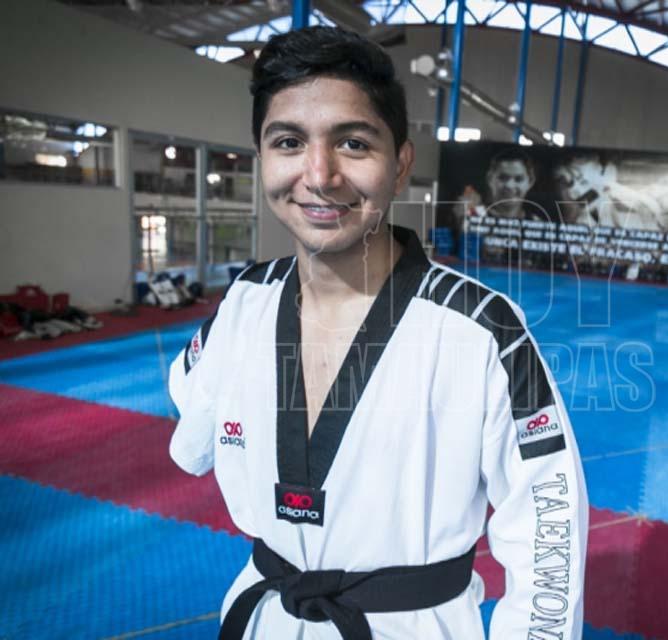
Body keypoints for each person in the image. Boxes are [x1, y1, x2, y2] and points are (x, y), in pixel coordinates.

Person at [167, 26, 587, 640]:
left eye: (354, 143)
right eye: (289, 142)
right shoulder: (244, 303)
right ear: (262, 159)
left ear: (400, 165)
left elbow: (549, 524)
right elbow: (193, 421)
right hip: (267, 619)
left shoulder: (479, 328)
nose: (319, 175)